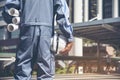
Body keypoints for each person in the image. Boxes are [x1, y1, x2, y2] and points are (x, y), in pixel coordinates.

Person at [3, 0, 73, 80]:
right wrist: (69, 36)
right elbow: (62, 13)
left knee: (22, 72)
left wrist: (14, 20)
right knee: (45, 73)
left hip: (27, 30)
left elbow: (8, 9)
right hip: (46, 32)